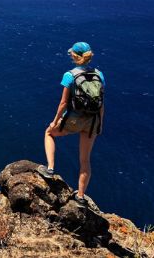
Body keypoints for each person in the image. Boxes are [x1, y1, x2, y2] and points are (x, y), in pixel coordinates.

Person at [39, 42, 105, 208]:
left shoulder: (70, 75)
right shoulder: (99, 74)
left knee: (49, 133)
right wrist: (100, 124)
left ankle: (50, 168)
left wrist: (55, 121)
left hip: (74, 120)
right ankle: (81, 197)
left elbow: (63, 103)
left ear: (75, 56)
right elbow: (102, 103)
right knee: (85, 160)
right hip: (92, 121)